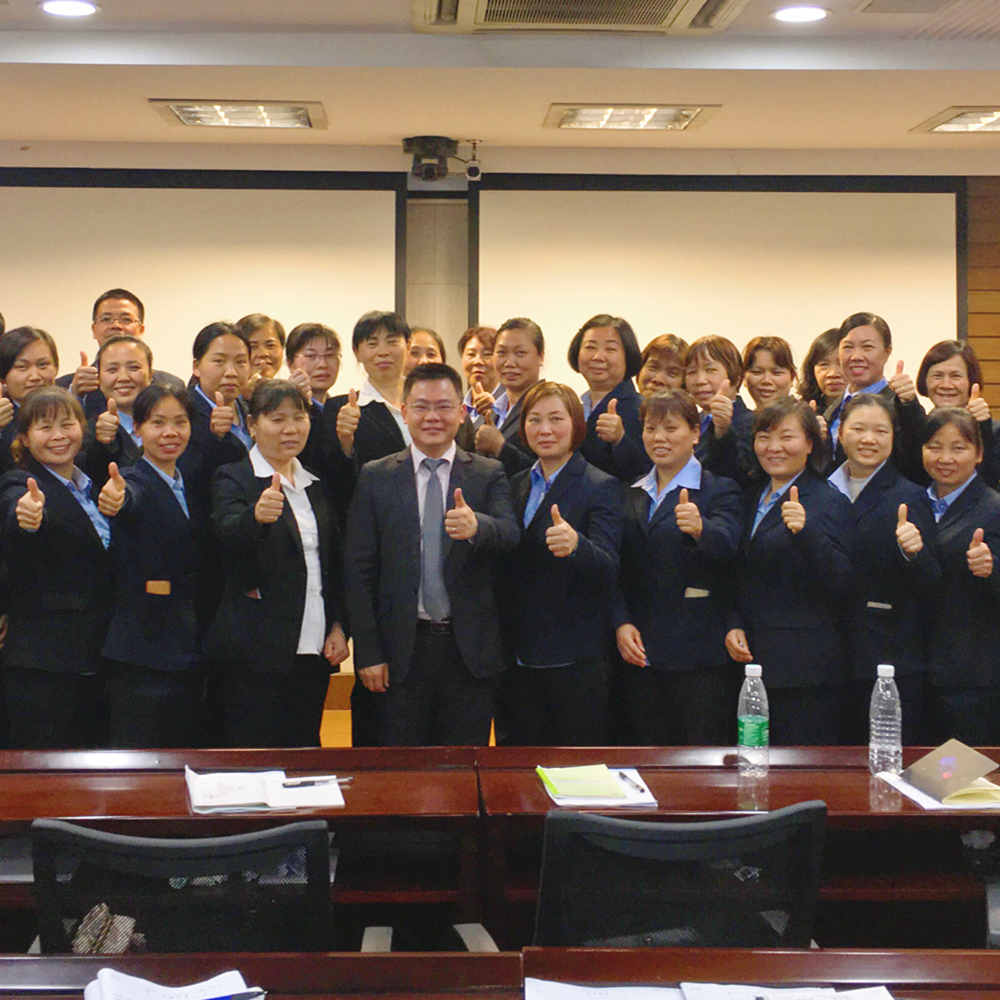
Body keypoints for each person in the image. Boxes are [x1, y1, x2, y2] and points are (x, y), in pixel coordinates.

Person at [345, 362, 520, 746]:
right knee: (401, 765)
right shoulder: (376, 476)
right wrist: (368, 652)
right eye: (421, 407)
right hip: (399, 651)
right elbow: (359, 569)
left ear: (461, 412)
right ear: (404, 411)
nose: (432, 417)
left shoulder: (487, 473)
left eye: (443, 407)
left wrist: (478, 527)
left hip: (468, 651)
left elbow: (510, 534)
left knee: (464, 764)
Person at [208, 380, 349, 747]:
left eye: (299, 418)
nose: (290, 429)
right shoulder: (234, 477)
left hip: (314, 643)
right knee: (253, 752)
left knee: (305, 749)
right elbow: (226, 536)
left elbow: (331, 563)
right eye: (277, 419)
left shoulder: (315, 483)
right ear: (252, 425)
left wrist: (338, 624)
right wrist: (255, 517)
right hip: (254, 649)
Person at [614, 388, 743, 745]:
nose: (659, 438)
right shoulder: (631, 491)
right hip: (639, 650)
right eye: (651, 428)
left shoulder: (720, 489)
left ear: (696, 433)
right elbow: (617, 568)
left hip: (699, 652)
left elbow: (731, 551)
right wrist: (621, 621)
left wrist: (702, 529)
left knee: (699, 756)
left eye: (671, 428)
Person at [724, 398, 854, 745]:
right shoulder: (751, 496)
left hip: (805, 671)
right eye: (764, 437)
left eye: (787, 437)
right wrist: (734, 622)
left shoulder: (829, 500)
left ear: (810, 444)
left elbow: (843, 581)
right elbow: (739, 572)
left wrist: (806, 532)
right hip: (750, 660)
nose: (774, 447)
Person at [504, 381, 623, 745]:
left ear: (576, 424)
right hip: (517, 656)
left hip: (574, 659)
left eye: (556, 419)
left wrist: (576, 546)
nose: (545, 429)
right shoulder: (515, 484)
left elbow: (609, 566)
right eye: (535, 419)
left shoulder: (600, 485)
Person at [97, 384, 208, 748]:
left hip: (187, 646)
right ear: (137, 429)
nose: (170, 432)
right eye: (158, 423)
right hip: (142, 651)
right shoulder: (133, 479)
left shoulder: (190, 482)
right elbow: (128, 496)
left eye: (180, 422)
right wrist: (117, 498)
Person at [0, 387, 112, 748]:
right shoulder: (20, 483)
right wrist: (27, 517)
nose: (59, 435)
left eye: (67, 424)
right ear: (24, 438)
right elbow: (18, 514)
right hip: (44, 663)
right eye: (45, 427)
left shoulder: (93, 486)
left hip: (98, 655)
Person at [828, 393, 938, 744]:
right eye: (858, 429)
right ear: (840, 433)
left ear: (894, 437)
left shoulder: (910, 496)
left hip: (889, 658)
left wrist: (913, 552)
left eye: (880, 431)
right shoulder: (819, 490)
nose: (869, 439)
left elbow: (933, 581)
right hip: (828, 658)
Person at [919, 407, 1000, 745]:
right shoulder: (911, 502)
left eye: (958, 448)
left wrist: (992, 568)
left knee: (964, 771)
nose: (945, 458)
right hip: (915, 667)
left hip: (971, 675)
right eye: (935, 446)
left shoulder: (993, 508)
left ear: (979, 454)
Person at [825, 312, 924, 479]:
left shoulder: (900, 405)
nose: (856, 356)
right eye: (848, 347)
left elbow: (915, 456)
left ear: (887, 352)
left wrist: (909, 404)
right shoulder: (831, 407)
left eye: (867, 347)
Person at [58, 288, 182, 418]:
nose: (116, 325)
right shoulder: (65, 387)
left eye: (126, 319)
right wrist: (74, 395)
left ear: (141, 329)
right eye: (106, 319)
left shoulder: (171, 384)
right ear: (94, 330)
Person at [567, 314, 649, 483]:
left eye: (610, 349)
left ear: (628, 356)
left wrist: (620, 440)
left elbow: (648, 473)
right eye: (590, 347)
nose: (598, 356)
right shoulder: (574, 408)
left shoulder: (642, 409)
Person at [914, 340, 999, 489]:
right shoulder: (916, 428)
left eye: (956, 376)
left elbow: (989, 482)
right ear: (924, 381)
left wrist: (982, 428)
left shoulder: (994, 431)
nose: (946, 385)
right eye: (937, 376)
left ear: (971, 381)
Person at [78, 335, 153, 490]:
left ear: (151, 375)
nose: (123, 378)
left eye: (134, 368)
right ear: (99, 378)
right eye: (112, 370)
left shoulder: (170, 422)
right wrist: (102, 444)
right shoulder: (86, 432)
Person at [474, 317, 544, 478]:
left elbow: (552, 472)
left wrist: (501, 448)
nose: (509, 363)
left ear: (540, 357)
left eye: (520, 353)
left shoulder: (549, 406)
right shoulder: (492, 409)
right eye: (501, 353)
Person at [685, 334, 757, 486]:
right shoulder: (689, 422)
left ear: (736, 376)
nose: (700, 380)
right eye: (691, 372)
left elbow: (742, 476)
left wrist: (723, 432)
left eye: (710, 370)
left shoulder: (753, 423)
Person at [0, 326, 59, 474]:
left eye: (43, 365)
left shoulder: (71, 409)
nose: (35, 376)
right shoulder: (4, 422)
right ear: (3, 377)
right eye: (22, 367)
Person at [458, 325, 505, 430]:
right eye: (471, 354)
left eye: (487, 354)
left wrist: (496, 409)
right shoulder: (457, 407)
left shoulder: (511, 405)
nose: (477, 361)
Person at [236, 313, 286, 399]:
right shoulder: (228, 398)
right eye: (253, 347)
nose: (263, 353)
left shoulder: (286, 395)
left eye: (270, 345)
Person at [798, 327, 846, 413]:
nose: (832, 374)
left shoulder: (870, 408)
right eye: (824, 364)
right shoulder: (801, 411)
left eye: (841, 364)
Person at [742, 336, 796, 410]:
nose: (766, 380)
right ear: (743, 377)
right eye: (757, 372)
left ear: (792, 377)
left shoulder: (805, 416)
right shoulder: (737, 416)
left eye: (776, 373)